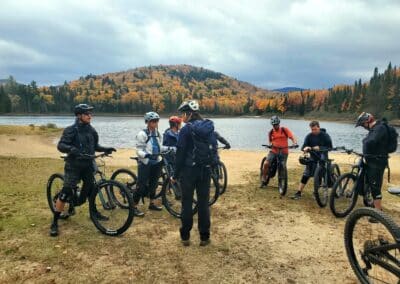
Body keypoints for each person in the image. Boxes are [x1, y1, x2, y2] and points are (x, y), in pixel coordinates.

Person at [50, 104, 116, 237]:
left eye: (90, 114)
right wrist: (71, 149)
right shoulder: (71, 130)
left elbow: (95, 146)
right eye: (87, 114)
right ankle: (55, 222)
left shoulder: (91, 130)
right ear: (79, 115)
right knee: (66, 191)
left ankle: (93, 213)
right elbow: (61, 145)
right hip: (74, 165)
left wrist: (105, 149)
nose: (90, 116)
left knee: (91, 189)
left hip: (88, 164)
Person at [171, 100, 215, 247]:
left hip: (189, 171)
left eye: (183, 114)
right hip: (205, 169)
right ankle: (204, 237)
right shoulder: (208, 127)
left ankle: (185, 237)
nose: (182, 118)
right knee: (203, 204)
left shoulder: (185, 130)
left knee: (187, 203)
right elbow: (213, 147)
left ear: (188, 114)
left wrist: (175, 174)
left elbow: (180, 154)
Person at [135, 112, 174, 216]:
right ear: (147, 122)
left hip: (157, 162)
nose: (155, 123)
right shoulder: (142, 134)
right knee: (141, 185)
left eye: (157, 121)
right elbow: (138, 150)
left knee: (154, 183)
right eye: (153, 121)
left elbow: (160, 147)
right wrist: (147, 155)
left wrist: (171, 148)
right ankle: (134, 206)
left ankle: (151, 203)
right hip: (145, 163)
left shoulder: (158, 133)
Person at [355, 112, 389, 211]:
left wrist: (365, 142)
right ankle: (367, 198)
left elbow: (372, 142)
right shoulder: (374, 129)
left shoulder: (380, 128)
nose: (363, 127)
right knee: (366, 179)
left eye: (363, 124)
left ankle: (378, 212)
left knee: (375, 186)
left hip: (378, 161)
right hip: (371, 159)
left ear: (368, 121)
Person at [292, 120, 332, 200]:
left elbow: (330, 147)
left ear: (319, 127)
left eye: (315, 129)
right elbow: (303, 147)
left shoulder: (325, 136)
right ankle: (299, 192)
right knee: (306, 174)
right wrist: (305, 148)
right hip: (313, 157)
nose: (313, 131)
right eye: (312, 129)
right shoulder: (309, 136)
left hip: (323, 157)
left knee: (320, 173)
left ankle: (316, 192)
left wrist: (320, 148)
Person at [261, 115, 297, 187]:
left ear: (279, 124)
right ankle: (264, 177)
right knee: (266, 164)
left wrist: (294, 143)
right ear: (272, 125)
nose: (275, 126)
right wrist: (270, 144)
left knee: (282, 166)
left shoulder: (284, 130)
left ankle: (281, 182)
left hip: (284, 151)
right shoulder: (270, 132)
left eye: (276, 124)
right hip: (274, 150)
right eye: (274, 125)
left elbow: (292, 137)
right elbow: (270, 142)